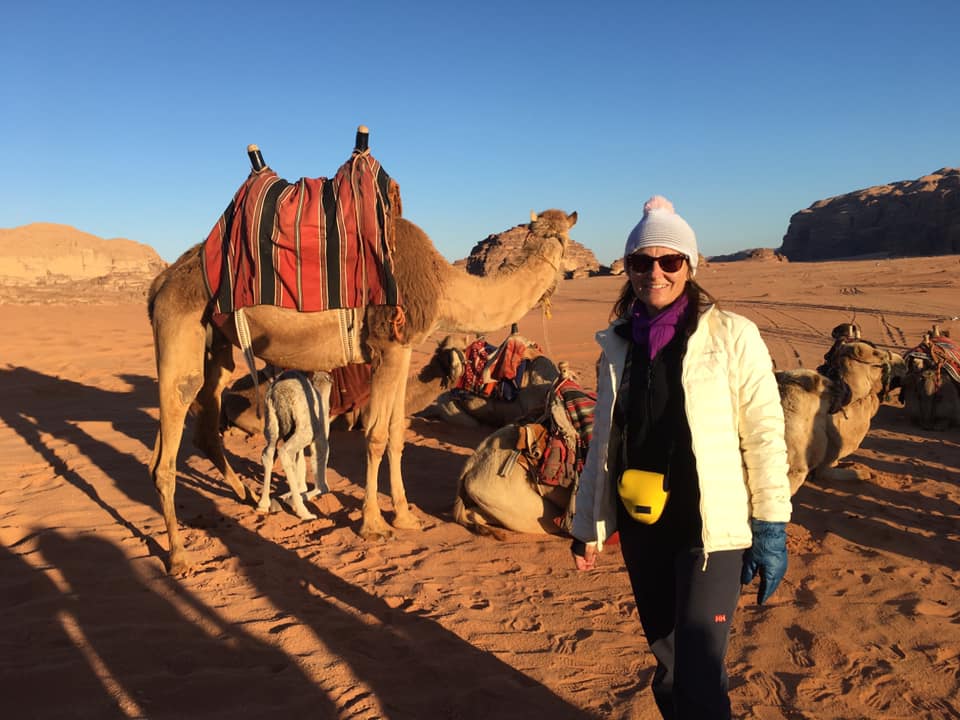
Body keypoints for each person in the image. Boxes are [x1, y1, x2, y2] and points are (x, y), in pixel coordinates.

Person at [570, 196, 792, 719]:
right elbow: (605, 443)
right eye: (641, 262)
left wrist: (771, 524)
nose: (656, 273)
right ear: (628, 269)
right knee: (669, 666)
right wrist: (586, 525)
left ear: (690, 266)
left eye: (670, 260)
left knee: (699, 671)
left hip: (708, 530)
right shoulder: (618, 346)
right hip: (643, 525)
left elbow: (764, 434)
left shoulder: (734, 336)